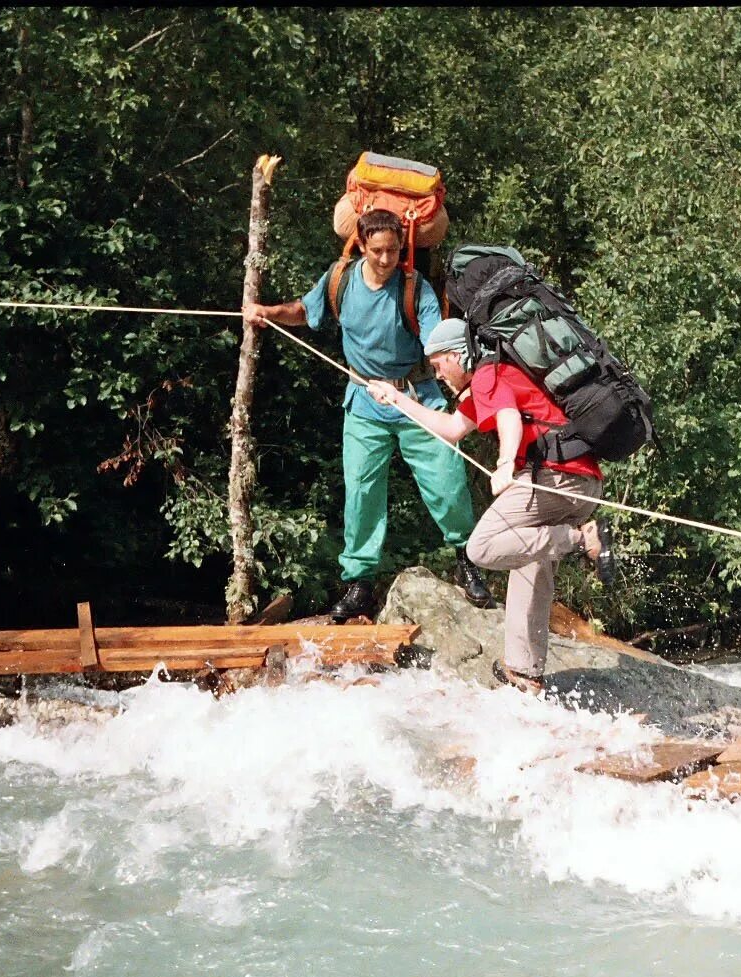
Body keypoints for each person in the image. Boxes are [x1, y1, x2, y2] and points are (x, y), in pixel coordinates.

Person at [244, 209, 493, 620]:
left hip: (416, 396)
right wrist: (267, 313)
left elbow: (437, 338)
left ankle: (468, 560)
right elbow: (306, 312)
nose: (386, 259)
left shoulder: (416, 289)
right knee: (361, 492)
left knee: (447, 483)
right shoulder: (341, 279)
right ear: (361, 245)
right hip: (363, 401)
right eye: (377, 251)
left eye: (393, 250)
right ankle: (359, 584)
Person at [364, 318, 615, 693]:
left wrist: (504, 463)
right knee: (531, 560)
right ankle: (525, 673)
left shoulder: (488, 375)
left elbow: (510, 418)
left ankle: (583, 539)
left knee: (481, 547)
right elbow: (451, 429)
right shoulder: (485, 384)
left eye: (437, 364)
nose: (438, 374)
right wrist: (397, 399)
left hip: (556, 477)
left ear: (455, 354)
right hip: (582, 480)